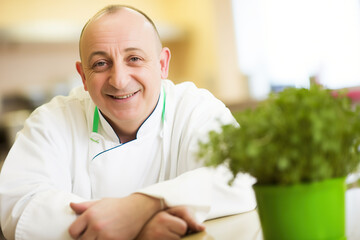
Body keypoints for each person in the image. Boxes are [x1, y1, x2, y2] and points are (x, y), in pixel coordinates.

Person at [0, 5, 256, 240]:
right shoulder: (52, 121)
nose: (119, 80)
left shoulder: (194, 108)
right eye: (101, 64)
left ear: (162, 64)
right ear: (83, 77)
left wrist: (144, 205)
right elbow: (18, 205)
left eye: (134, 58)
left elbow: (238, 177)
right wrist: (133, 228)